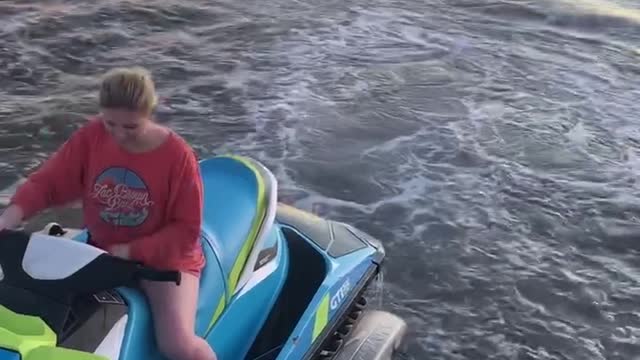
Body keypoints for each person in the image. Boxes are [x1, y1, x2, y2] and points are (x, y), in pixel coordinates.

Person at [0, 67, 217, 360]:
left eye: (130, 127)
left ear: (149, 114)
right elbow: (50, 182)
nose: (118, 135)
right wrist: (10, 216)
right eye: (110, 123)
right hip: (103, 254)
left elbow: (186, 230)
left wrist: (132, 251)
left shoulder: (177, 156)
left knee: (177, 345)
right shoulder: (93, 136)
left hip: (166, 263)